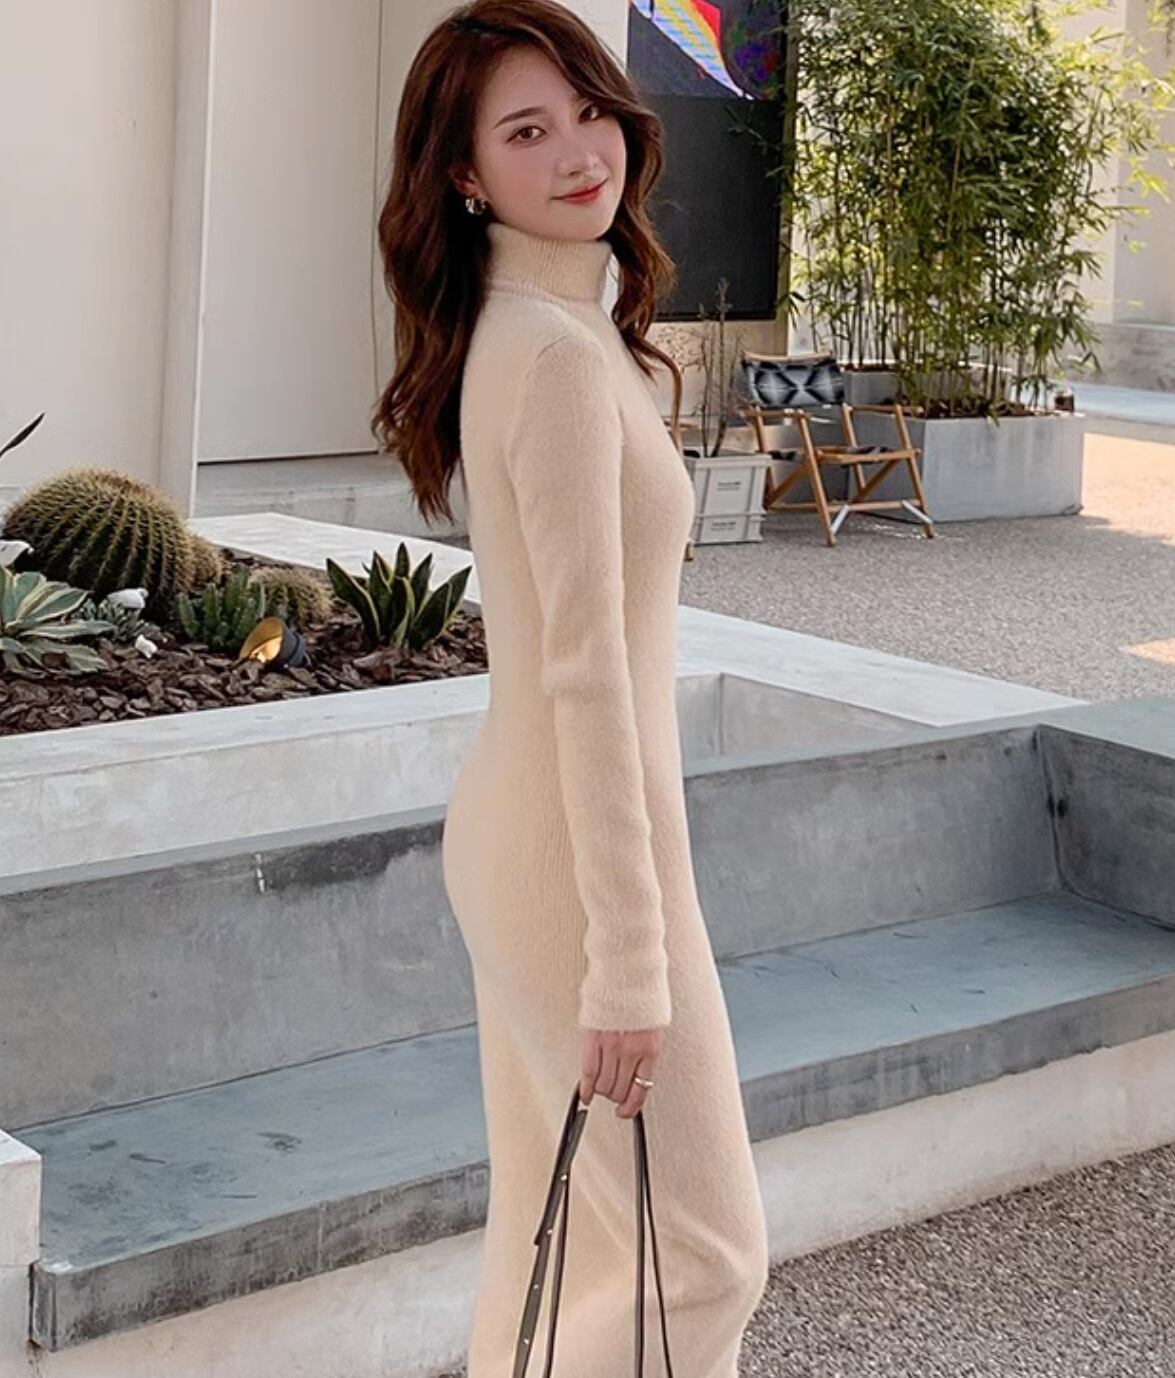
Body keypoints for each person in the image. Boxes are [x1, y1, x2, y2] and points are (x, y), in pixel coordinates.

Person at [372, 3, 769, 1374]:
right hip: (572, 853)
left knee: (580, 1250)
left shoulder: (561, 325)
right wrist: (628, 954)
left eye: (589, 112)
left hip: (554, 832)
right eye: (527, 132)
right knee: (704, 1258)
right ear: (466, 175)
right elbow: (586, 674)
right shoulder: (546, 355)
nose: (579, 152)